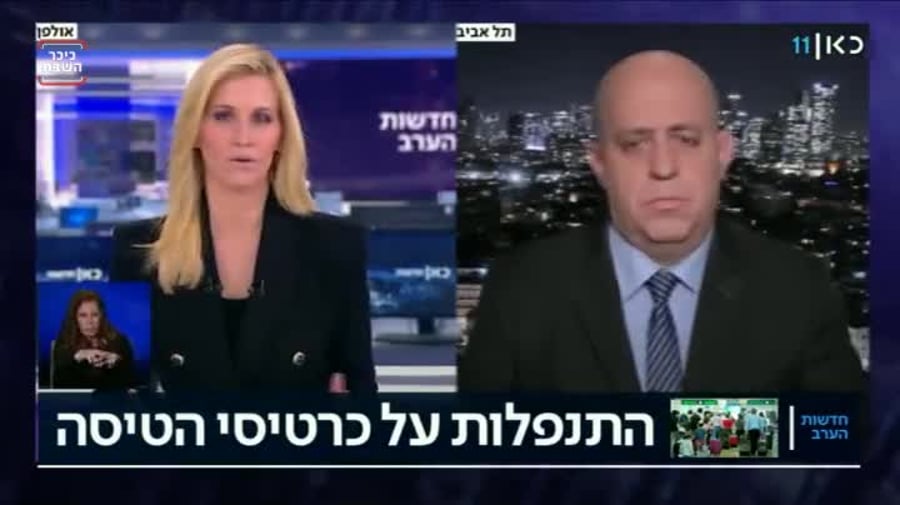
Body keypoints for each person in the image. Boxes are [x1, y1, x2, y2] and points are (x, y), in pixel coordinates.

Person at [457, 50, 864, 393]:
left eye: (686, 140)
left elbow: (835, 436)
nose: (664, 167)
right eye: (634, 144)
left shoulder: (800, 287)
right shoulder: (519, 288)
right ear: (598, 163)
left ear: (722, 153)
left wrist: (673, 434)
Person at [110, 43, 376, 393]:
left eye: (261, 118)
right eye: (223, 116)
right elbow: (109, 409)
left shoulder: (335, 247)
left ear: (281, 136)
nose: (243, 138)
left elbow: (361, 402)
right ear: (195, 130)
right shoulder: (137, 250)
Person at [52, 289, 136, 390]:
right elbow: (59, 376)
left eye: (95, 315)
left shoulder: (120, 341)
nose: (89, 321)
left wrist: (116, 361)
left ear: (102, 317)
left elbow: (131, 380)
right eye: (83, 315)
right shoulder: (64, 343)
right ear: (74, 318)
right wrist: (80, 355)